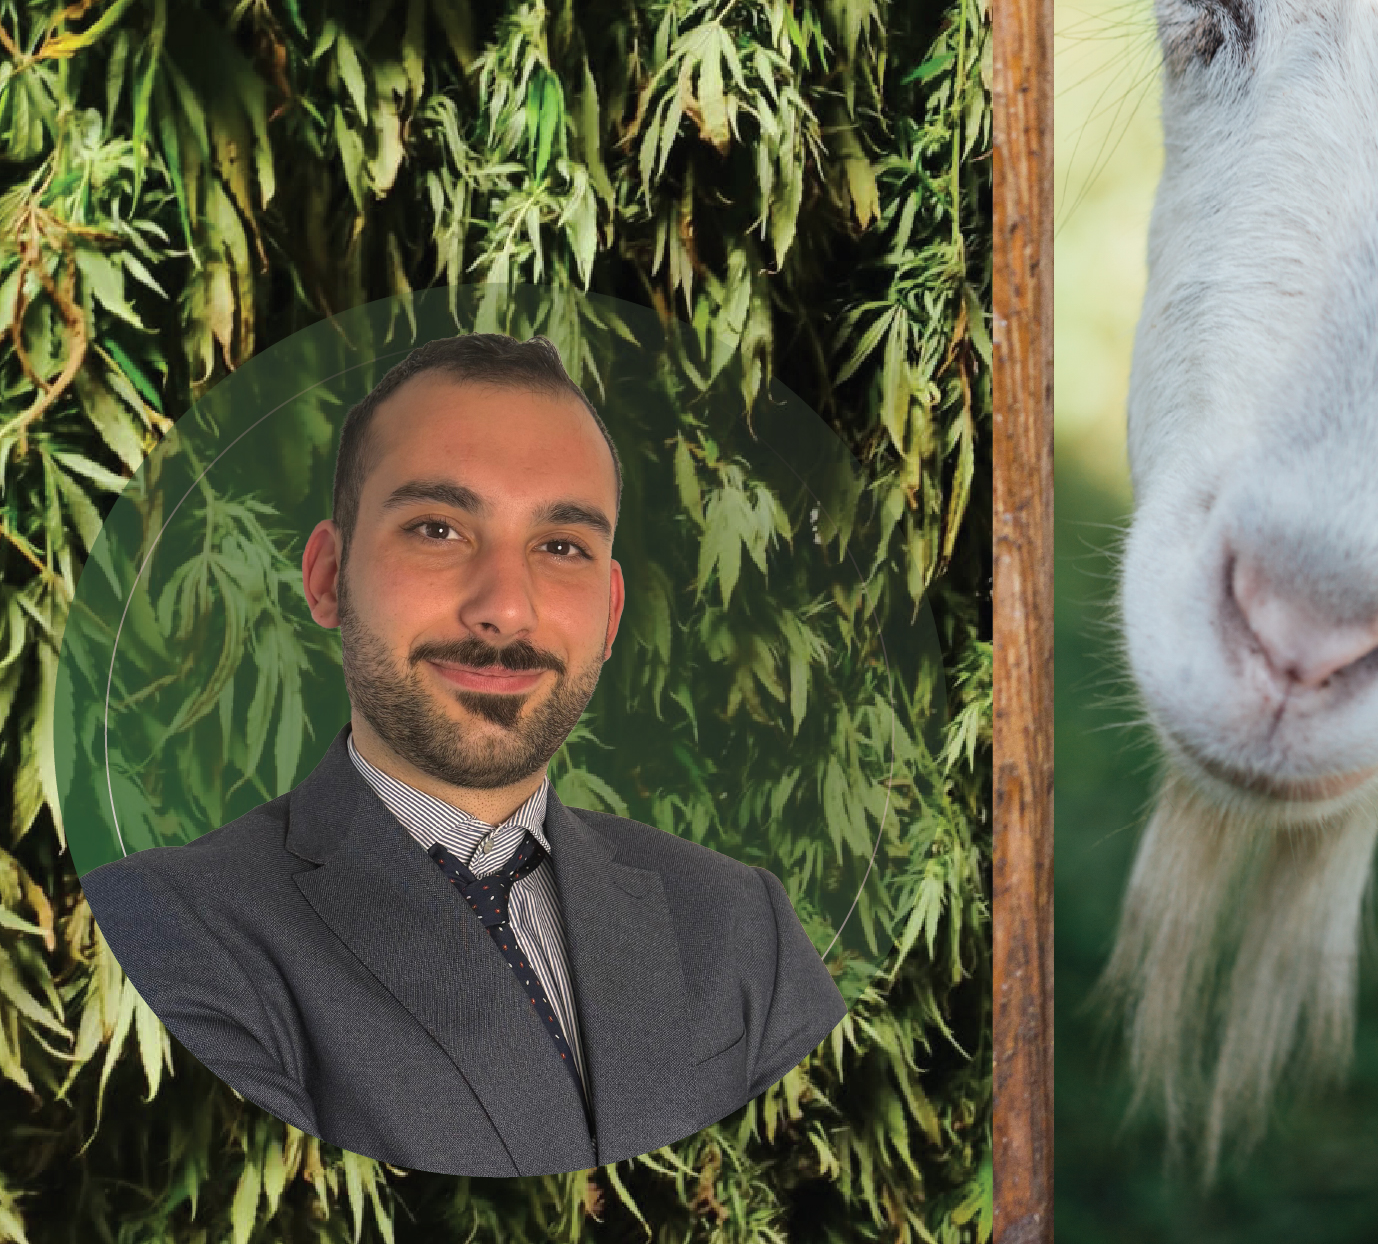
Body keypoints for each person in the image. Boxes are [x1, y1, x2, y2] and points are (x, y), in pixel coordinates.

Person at [83, 332, 845, 1177]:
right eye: (438, 528)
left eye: (561, 546)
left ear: (611, 612)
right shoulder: (167, 931)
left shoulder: (744, 925)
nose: (505, 610)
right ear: (329, 576)